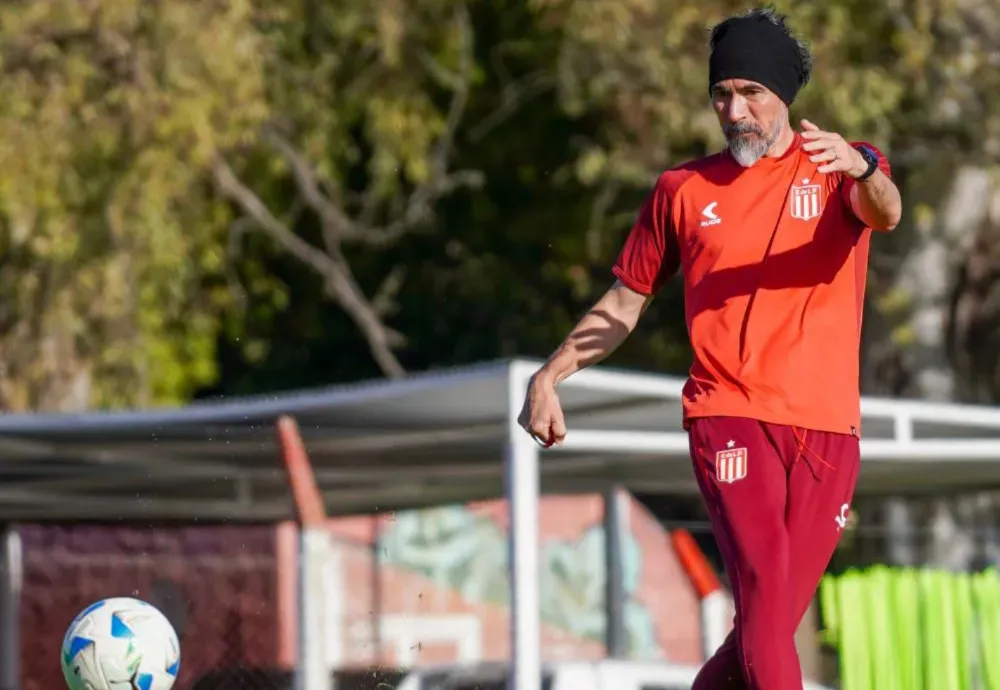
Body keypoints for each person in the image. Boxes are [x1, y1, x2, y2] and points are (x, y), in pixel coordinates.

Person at [518, 6, 902, 690]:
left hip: (828, 430)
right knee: (759, 598)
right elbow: (623, 304)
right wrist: (552, 375)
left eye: (752, 92)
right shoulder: (681, 191)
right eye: (722, 94)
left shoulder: (838, 168)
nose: (735, 109)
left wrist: (864, 163)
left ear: (784, 95)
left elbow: (887, 211)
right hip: (729, 415)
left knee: (767, 624)